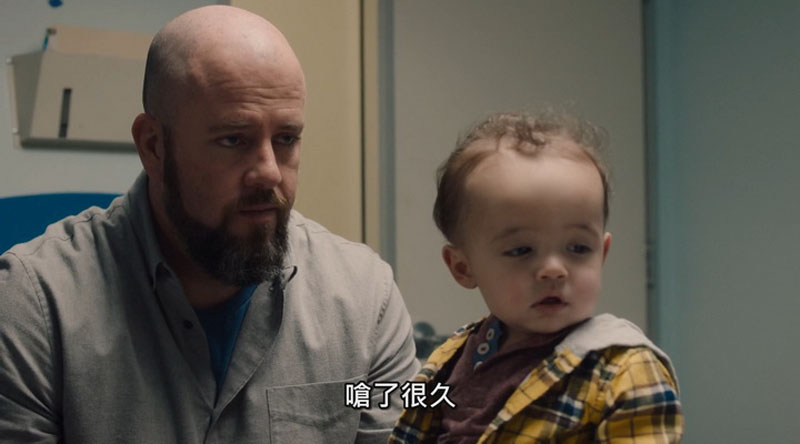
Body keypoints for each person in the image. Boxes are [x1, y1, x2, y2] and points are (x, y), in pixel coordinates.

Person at [0, 5, 419, 443]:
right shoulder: (35, 308)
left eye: (286, 139)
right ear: (153, 146)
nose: (269, 172)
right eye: (233, 139)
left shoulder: (363, 299)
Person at [389, 111, 683, 443]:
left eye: (578, 247)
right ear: (463, 268)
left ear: (602, 253)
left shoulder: (624, 370)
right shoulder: (453, 357)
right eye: (521, 250)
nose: (554, 269)